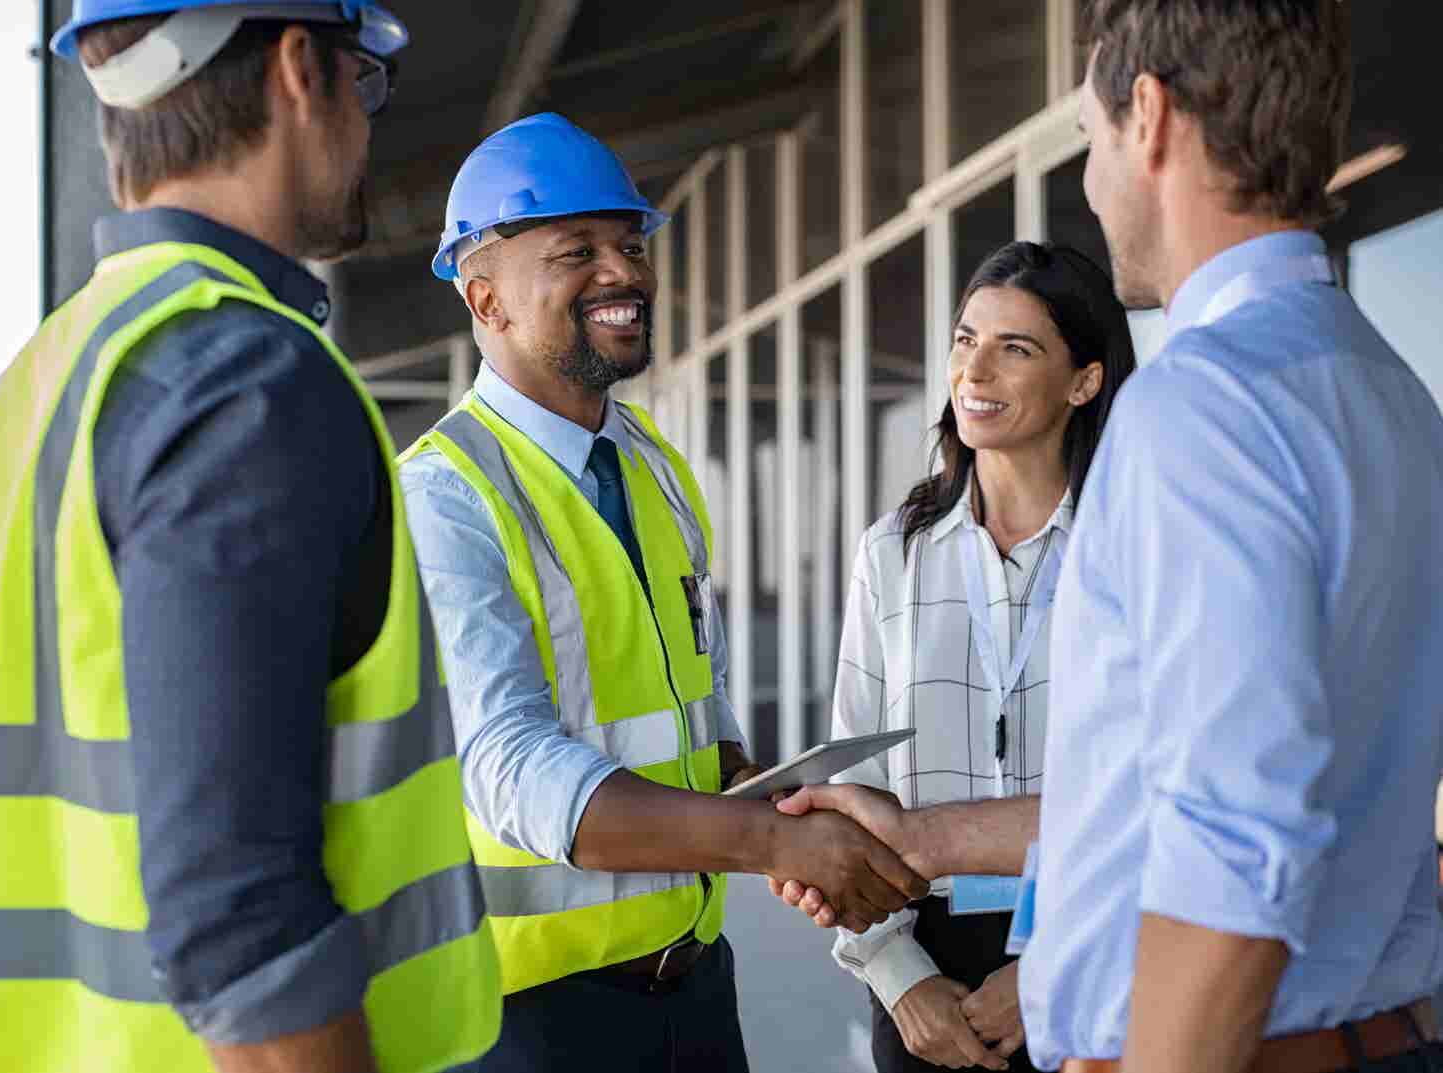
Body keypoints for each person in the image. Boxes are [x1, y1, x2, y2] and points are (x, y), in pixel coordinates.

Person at [783, 2, 1443, 1071]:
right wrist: (925, 840)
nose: (1091, 179)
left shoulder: (1203, 408)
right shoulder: (1386, 391)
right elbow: (1168, 783)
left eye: (1089, 138)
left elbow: (1232, 842)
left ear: (1149, 116)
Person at [0, 3, 502, 1072]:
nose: (367, 125)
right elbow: (243, 927)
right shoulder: (245, 379)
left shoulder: (41, 374)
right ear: (300, 68)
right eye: (363, 81)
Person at [398, 112, 929, 1073]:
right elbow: (512, 771)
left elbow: (696, 707)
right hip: (528, 1024)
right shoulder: (444, 495)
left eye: (630, 244)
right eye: (577, 251)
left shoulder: (652, 466)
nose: (624, 272)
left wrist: (773, 799)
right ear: (486, 298)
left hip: (693, 989)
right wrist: (767, 844)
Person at [823, 241, 1134, 1073]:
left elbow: (1155, 786)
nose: (975, 370)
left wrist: (1052, 968)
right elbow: (856, 782)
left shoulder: (1132, 548)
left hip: (1096, 954)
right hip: (924, 965)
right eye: (966, 340)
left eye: (1014, 348)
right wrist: (898, 976)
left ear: (1085, 381)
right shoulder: (894, 551)